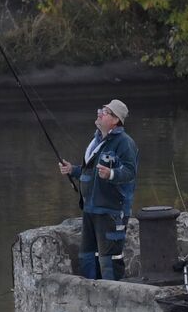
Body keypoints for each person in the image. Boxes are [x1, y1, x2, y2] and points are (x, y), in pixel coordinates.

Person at [57, 99, 138, 280]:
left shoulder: (125, 143)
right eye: (101, 110)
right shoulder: (96, 141)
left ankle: (112, 295)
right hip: (90, 209)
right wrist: (73, 170)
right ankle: (91, 294)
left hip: (111, 210)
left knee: (109, 259)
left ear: (116, 120)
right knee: (88, 255)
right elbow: (91, 171)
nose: (100, 113)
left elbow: (130, 173)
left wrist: (111, 174)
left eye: (106, 112)